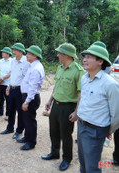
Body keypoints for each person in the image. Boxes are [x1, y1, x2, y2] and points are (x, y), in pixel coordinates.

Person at [75, 43, 119, 172]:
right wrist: (77, 114)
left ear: (100, 61)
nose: (84, 59)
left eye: (89, 57)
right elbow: (83, 100)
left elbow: (116, 113)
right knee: (83, 162)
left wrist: (109, 130)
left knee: (92, 167)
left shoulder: (110, 84)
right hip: (81, 125)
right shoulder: (84, 78)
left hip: (95, 130)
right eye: (84, 57)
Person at [41, 43, 85, 171]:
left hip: (68, 107)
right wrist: (50, 100)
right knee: (53, 131)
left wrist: (77, 112)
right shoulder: (60, 68)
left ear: (67, 55)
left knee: (66, 135)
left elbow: (80, 93)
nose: (57, 55)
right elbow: (57, 85)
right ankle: (54, 153)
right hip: (56, 105)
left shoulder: (78, 71)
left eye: (59, 53)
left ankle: (67, 159)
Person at [0, 43, 30, 139]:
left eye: (15, 50)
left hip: (20, 90)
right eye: (13, 50)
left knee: (20, 111)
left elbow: (27, 77)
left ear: (21, 51)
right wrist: (8, 86)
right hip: (12, 88)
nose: (13, 52)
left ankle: (19, 130)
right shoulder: (13, 61)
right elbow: (13, 74)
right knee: (11, 109)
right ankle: (9, 128)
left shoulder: (26, 62)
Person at [18, 45, 45, 150]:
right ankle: (27, 137)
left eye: (28, 54)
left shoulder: (36, 68)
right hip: (27, 97)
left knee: (30, 120)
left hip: (31, 98)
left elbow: (33, 88)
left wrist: (27, 101)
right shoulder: (32, 66)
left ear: (34, 55)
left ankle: (31, 142)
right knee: (26, 119)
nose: (26, 55)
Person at [0, 47, 12, 118]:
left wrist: (3, 78)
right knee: (0, 98)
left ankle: (8, 114)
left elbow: (11, 73)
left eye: (4, 52)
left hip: (8, 83)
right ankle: (0, 111)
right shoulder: (1, 61)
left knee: (8, 99)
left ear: (8, 54)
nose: (2, 53)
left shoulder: (12, 61)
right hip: (0, 83)